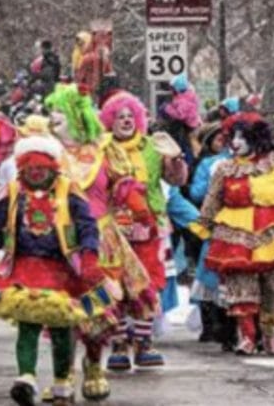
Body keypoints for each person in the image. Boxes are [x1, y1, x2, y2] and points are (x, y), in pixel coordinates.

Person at [0, 133, 109, 406]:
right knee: (28, 324)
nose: (35, 173)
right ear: (22, 168)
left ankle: (62, 381)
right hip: (23, 268)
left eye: (41, 168)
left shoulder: (70, 191)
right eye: (30, 168)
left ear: (52, 168)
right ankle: (26, 377)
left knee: (62, 326)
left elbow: (87, 226)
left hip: (63, 269)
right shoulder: (10, 193)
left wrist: (90, 257)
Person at [45, 84, 151, 401]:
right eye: (51, 113)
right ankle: (62, 375)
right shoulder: (47, 154)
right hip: (59, 243)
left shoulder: (104, 152)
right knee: (59, 312)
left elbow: (122, 187)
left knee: (95, 312)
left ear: (78, 117)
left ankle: (93, 367)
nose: (53, 119)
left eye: (59, 113)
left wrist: (140, 209)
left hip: (101, 242)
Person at [199, 113, 274, 356]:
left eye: (242, 137)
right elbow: (213, 199)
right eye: (232, 137)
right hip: (236, 232)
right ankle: (247, 336)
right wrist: (204, 224)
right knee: (240, 285)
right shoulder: (225, 168)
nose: (236, 142)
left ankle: (269, 331)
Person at [98, 92, 186, 370]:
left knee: (147, 282)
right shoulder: (103, 148)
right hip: (114, 225)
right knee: (118, 282)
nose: (125, 121)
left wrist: (176, 162)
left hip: (150, 223)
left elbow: (177, 180)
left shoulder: (153, 146)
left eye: (130, 116)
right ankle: (120, 342)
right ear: (110, 121)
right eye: (119, 116)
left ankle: (144, 342)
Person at [189, 124, 234, 348]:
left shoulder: (243, 164)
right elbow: (196, 192)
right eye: (217, 139)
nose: (223, 143)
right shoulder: (207, 164)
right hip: (212, 226)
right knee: (208, 270)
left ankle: (229, 325)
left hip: (237, 226)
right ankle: (210, 324)